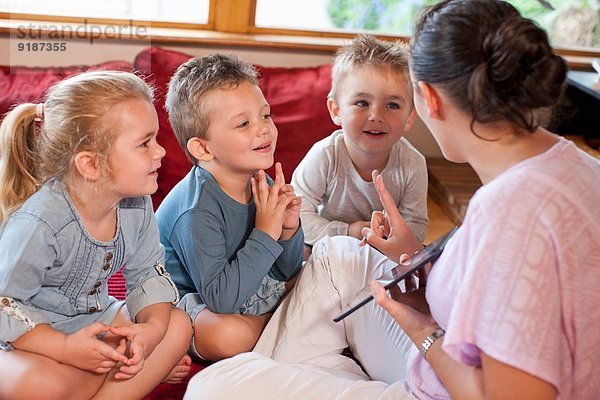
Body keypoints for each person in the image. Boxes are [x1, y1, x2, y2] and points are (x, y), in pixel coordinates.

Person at [183, 1, 600, 399]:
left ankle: (291, 376)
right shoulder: (579, 167)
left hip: (440, 381)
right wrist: (415, 255)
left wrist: (422, 330)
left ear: (427, 101)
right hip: (447, 345)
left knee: (211, 388)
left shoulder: (510, 214)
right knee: (335, 256)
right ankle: (302, 374)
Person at [0, 70, 193, 400]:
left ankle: (99, 383)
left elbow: (148, 274)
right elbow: (5, 304)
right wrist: (65, 349)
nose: (160, 152)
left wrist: (149, 332)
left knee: (178, 326)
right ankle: (96, 375)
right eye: (145, 143)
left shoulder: (137, 204)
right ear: (90, 165)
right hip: (27, 335)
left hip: (94, 320)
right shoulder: (41, 222)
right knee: (43, 387)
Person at [156, 54, 304, 362]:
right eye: (243, 123)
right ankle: (278, 326)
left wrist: (287, 230)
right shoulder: (196, 211)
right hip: (191, 303)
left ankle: (281, 322)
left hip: (243, 288)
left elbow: (284, 269)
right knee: (228, 336)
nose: (264, 130)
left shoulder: (257, 179)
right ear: (204, 148)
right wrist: (265, 231)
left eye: (266, 116)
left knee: (316, 263)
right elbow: (221, 300)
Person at [292, 34, 428, 257]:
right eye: (362, 103)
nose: (376, 115)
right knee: (298, 256)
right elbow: (297, 214)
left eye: (392, 105)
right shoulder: (325, 155)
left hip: (382, 253)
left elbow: (417, 225)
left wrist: (389, 236)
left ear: (410, 117)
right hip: (325, 249)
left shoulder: (413, 164)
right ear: (336, 110)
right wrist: (350, 232)